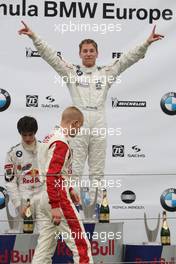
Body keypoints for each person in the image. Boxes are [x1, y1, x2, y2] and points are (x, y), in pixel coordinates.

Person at [18, 21, 164, 203]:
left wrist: (146, 43)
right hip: (77, 123)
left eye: (91, 50)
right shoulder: (71, 72)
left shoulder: (106, 72)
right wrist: (34, 37)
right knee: (75, 170)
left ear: (97, 53)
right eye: (85, 51)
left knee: (97, 171)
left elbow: (127, 59)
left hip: (99, 122)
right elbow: (51, 57)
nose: (88, 53)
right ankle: (74, 212)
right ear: (80, 54)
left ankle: (94, 213)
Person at [31, 106, 93, 264]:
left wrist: (71, 188)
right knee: (81, 245)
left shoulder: (49, 137)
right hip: (57, 196)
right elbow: (53, 174)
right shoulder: (62, 142)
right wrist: (56, 205)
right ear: (76, 123)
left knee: (44, 248)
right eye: (79, 127)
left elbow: (52, 170)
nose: (78, 132)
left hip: (42, 196)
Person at [4, 116, 43, 233]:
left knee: (45, 236)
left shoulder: (45, 149)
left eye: (30, 134)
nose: (27, 138)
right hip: (24, 198)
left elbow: (51, 175)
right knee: (24, 237)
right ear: (20, 133)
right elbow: (10, 182)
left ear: (35, 132)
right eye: (24, 135)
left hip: (42, 196)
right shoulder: (13, 153)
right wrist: (18, 204)